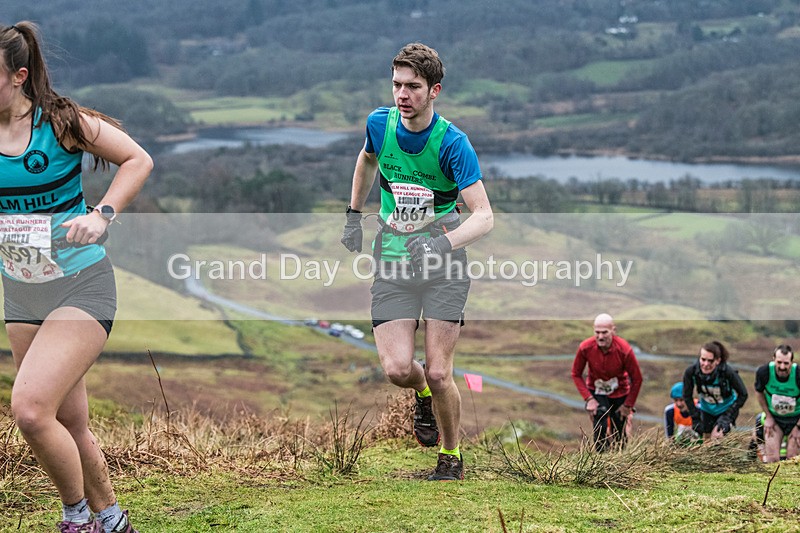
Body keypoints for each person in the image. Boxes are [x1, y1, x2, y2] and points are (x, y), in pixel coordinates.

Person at [0, 22, 152, 532]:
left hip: (81, 284)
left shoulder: (61, 122)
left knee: (30, 409)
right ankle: (112, 520)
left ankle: (76, 519)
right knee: (68, 421)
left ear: (19, 77)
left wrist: (101, 213)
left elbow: (137, 159)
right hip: (22, 292)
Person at [340, 42, 493, 480]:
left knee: (443, 372)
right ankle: (420, 392)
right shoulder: (379, 124)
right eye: (396, 84)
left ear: (434, 91)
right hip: (392, 257)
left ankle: (451, 457)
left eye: (413, 86)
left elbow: (484, 216)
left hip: (443, 264)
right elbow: (367, 159)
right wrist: (354, 214)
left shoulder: (453, 143)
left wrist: (441, 246)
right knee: (397, 368)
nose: (402, 94)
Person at [571, 313, 643, 452]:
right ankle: (600, 462)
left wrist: (628, 405)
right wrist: (589, 399)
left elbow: (637, 379)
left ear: (613, 331)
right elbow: (576, 374)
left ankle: (621, 461)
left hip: (620, 392)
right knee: (600, 426)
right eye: (597, 332)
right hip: (596, 391)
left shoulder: (624, 349)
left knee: (619, 432)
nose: (600, 337)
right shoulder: (585, 347)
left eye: (605, 332)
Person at [682, 340, 748, 442]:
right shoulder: (691, 372)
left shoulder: (727, 372)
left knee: (716, 438)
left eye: (710, 361)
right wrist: (695, 417)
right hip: (706, 410)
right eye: (703, 359)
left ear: (717, 361)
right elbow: (687, 396)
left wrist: (728, 416)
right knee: (706, 441)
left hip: (726, 409)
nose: (705, 364)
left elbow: (743, 394)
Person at [753, 344, 800, 462]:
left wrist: (798, 425)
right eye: (779, 362)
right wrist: (768, 416)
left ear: (792, 362)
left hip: (796, 419)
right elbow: (759, 392)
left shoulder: (798, 374)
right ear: (773, 359)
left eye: (786, 363)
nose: (782, 367)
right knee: (771, 460)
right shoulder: (764, 372)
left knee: (792, 459)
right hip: (775, 419)